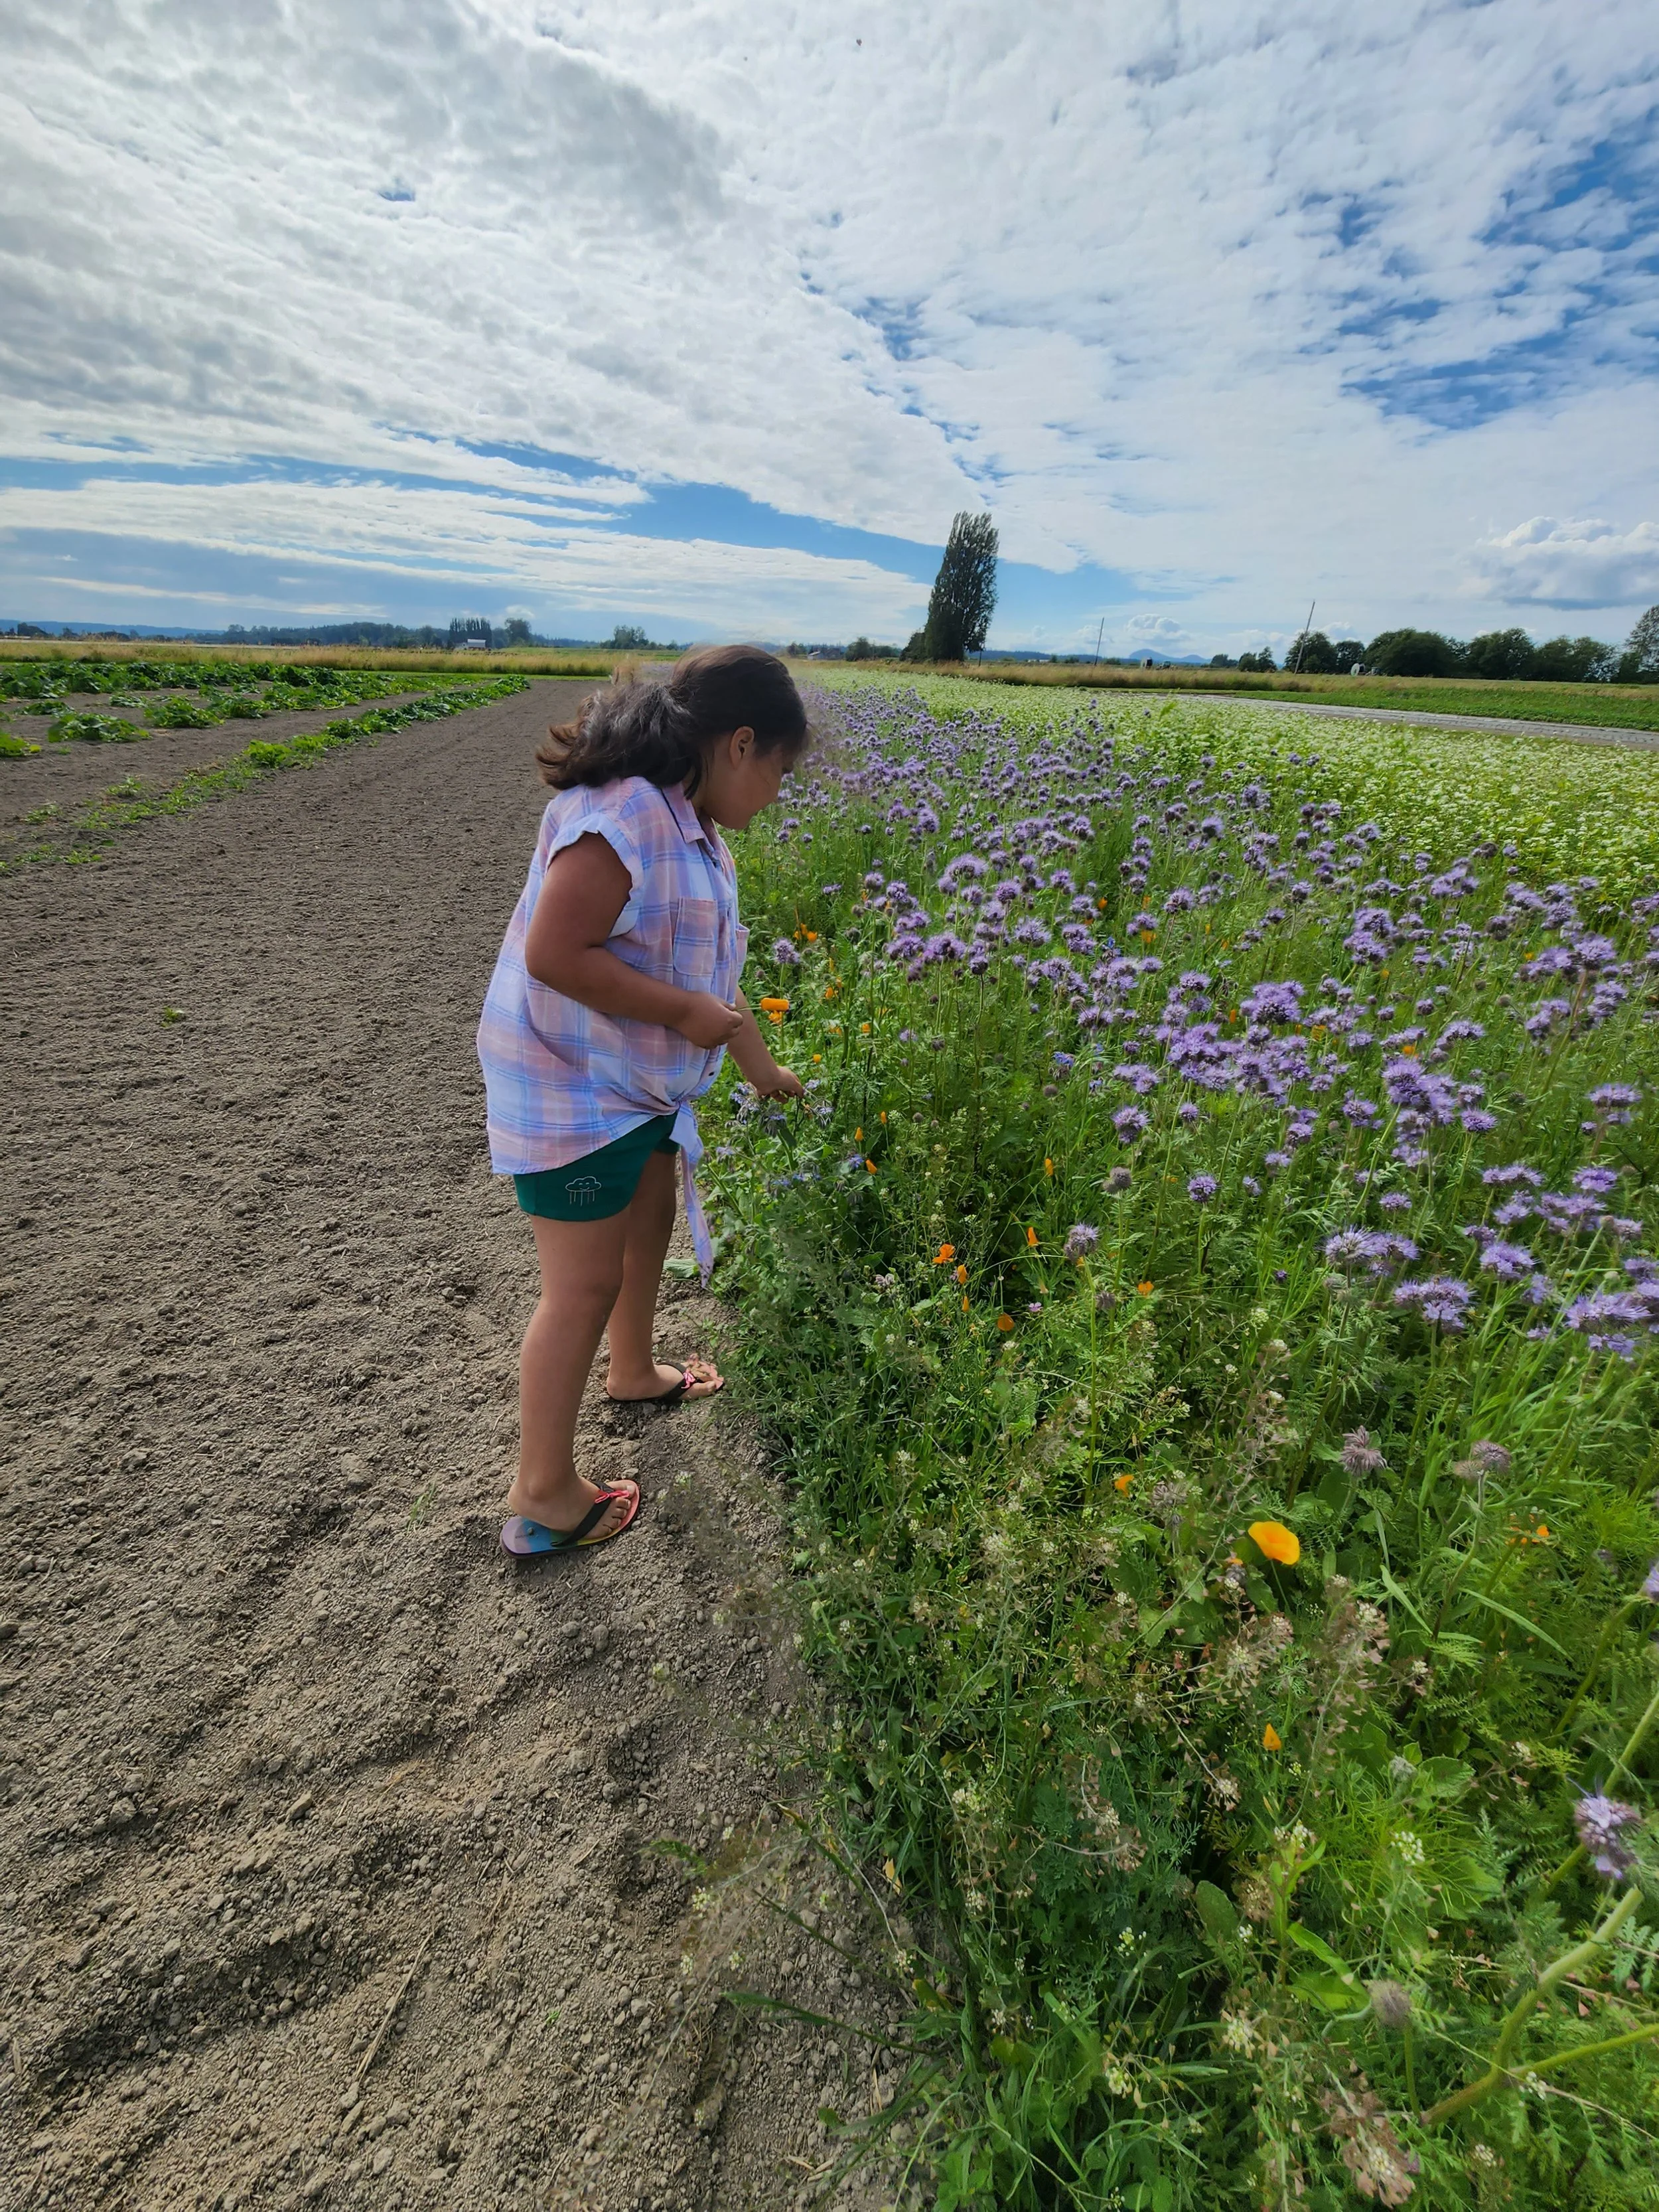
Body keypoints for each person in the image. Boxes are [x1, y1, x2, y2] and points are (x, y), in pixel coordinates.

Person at [477, 645, 806, 1559]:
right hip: (570, 1085)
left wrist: (757, 1065)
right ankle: (543, 1492)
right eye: (781, 771)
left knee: (651, 1211)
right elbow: (556, 954)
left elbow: (704, 975)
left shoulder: (690, 825)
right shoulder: (622, 818)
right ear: (740, 744)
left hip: (630, 1084)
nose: (778, 794)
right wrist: (682, 1016)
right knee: (581, 1284)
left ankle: (631, 1369)